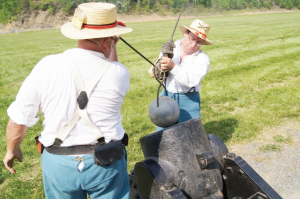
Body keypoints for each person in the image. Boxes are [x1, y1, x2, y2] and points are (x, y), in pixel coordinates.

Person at [3, 2, 132, 199]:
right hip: (107, 162)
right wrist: (112, 44)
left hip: (58, 162)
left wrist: (12, 150)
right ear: (109, 40)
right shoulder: (119, 73)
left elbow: (17, 122)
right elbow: (110, 66)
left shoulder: (46, 65)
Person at [150, 19, 213, 131]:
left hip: (188, 99)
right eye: (192, 39)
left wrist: (173, 67)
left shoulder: (203, 59)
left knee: (191, 134)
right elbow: (154, 72)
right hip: (166, 95)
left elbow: (191, 81)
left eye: (198, 42)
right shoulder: (169, 48)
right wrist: (159, 67)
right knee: (163, 134)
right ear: (185, 33)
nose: (193, 45)